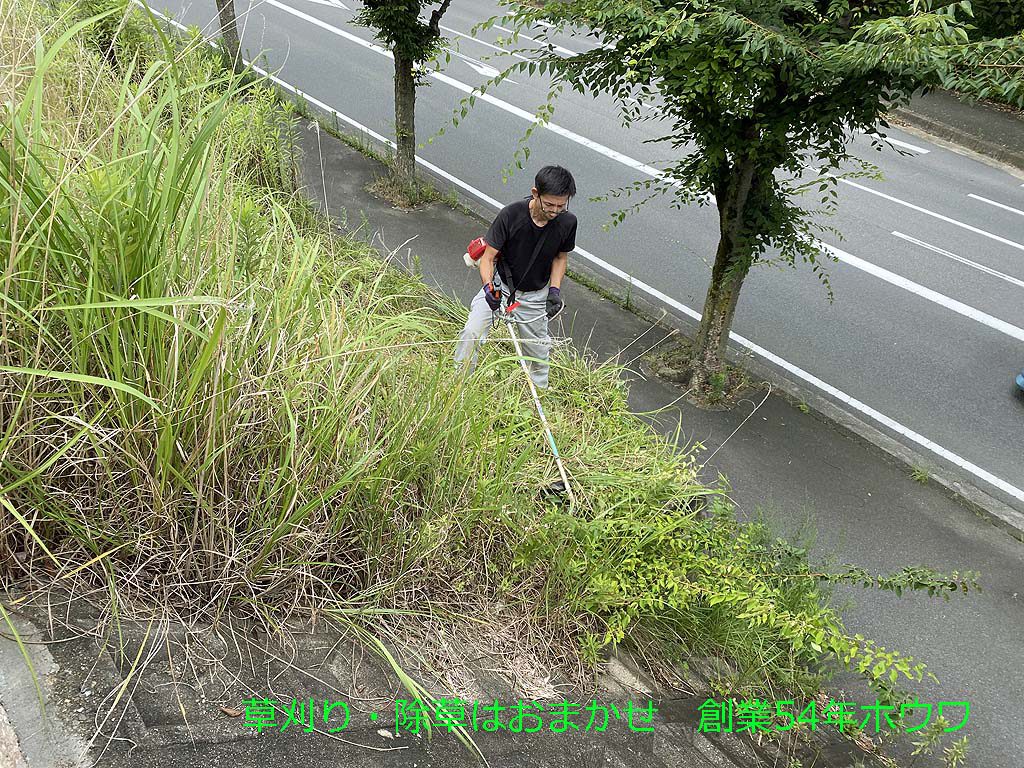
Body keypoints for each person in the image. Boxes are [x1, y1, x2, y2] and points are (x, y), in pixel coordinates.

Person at [454, 165, 578, 389]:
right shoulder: (511, 215)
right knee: (472, 332)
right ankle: (458, 387)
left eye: (561, 205)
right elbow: (488, 258)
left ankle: (539, 393)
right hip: (500, 288)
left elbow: (560, 258)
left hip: (534, 297)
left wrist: (555, 291)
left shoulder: (567, 222)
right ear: (535, 194)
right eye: (549, 204)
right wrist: (488, 288)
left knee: (538, 351)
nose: (554, 211)